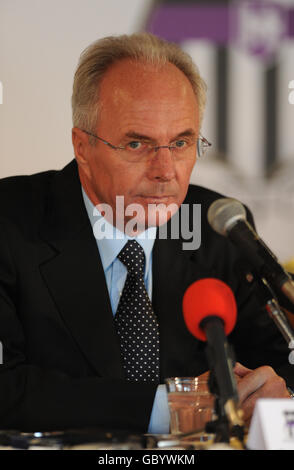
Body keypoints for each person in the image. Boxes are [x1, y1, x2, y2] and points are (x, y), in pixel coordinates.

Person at [0, 32, 292, 435]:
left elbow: (280, 362)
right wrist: (171, 408)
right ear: (82, 146)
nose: (165, 171)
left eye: (181, 142)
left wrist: (276, 392)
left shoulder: (218, 229)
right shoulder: (9, 222)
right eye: (137, 143)